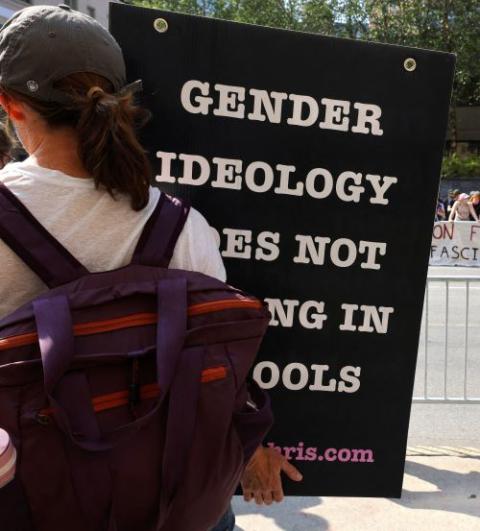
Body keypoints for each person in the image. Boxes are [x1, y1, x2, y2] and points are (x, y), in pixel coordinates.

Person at [0, 5, 302, 530]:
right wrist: (251, 455)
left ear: (10, 104)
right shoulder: (183, 226)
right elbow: (221, 377)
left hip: (34, 503)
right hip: (171, 503)